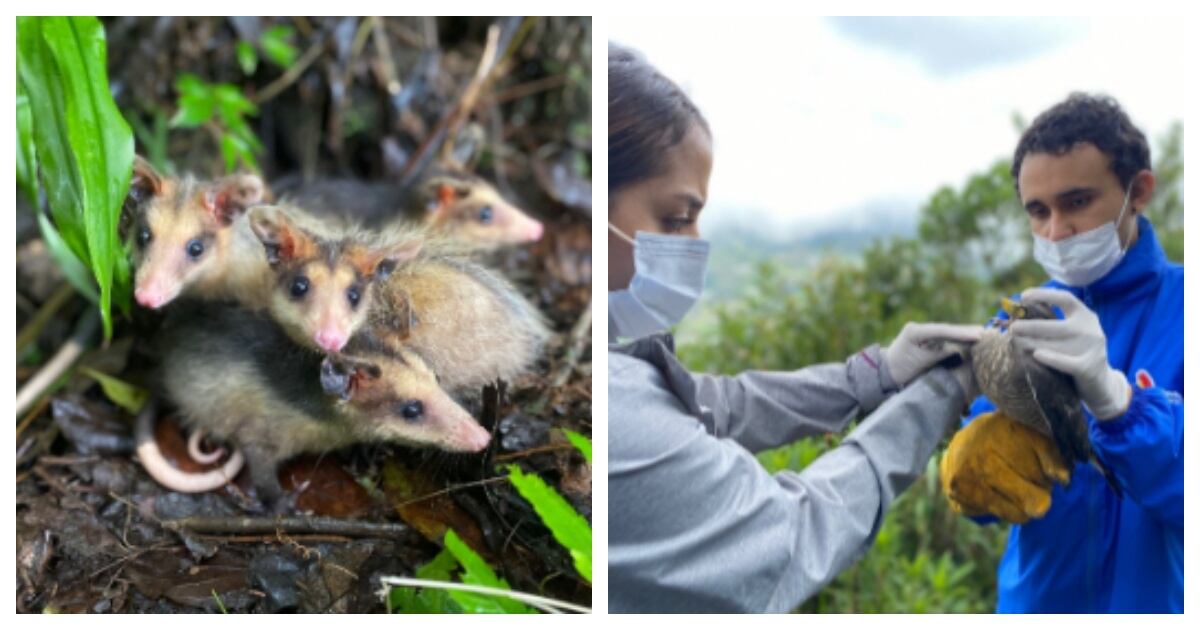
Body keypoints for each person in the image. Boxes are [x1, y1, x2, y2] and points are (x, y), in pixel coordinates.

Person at [607, 42, 984, 613]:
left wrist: (875, 375)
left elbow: (712, 406)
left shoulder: (609, 370)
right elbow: (793, 533)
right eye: (677, 218)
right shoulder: (617, 414)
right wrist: (942, 393)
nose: (695, 244)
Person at [940, 93, 1183, 613]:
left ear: (1138, 192)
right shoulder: (1021, 321)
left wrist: (1121, 407)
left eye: (1076, 202)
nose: (1056, 231)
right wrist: (975, 464)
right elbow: (997, 497)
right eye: (1038, 211)